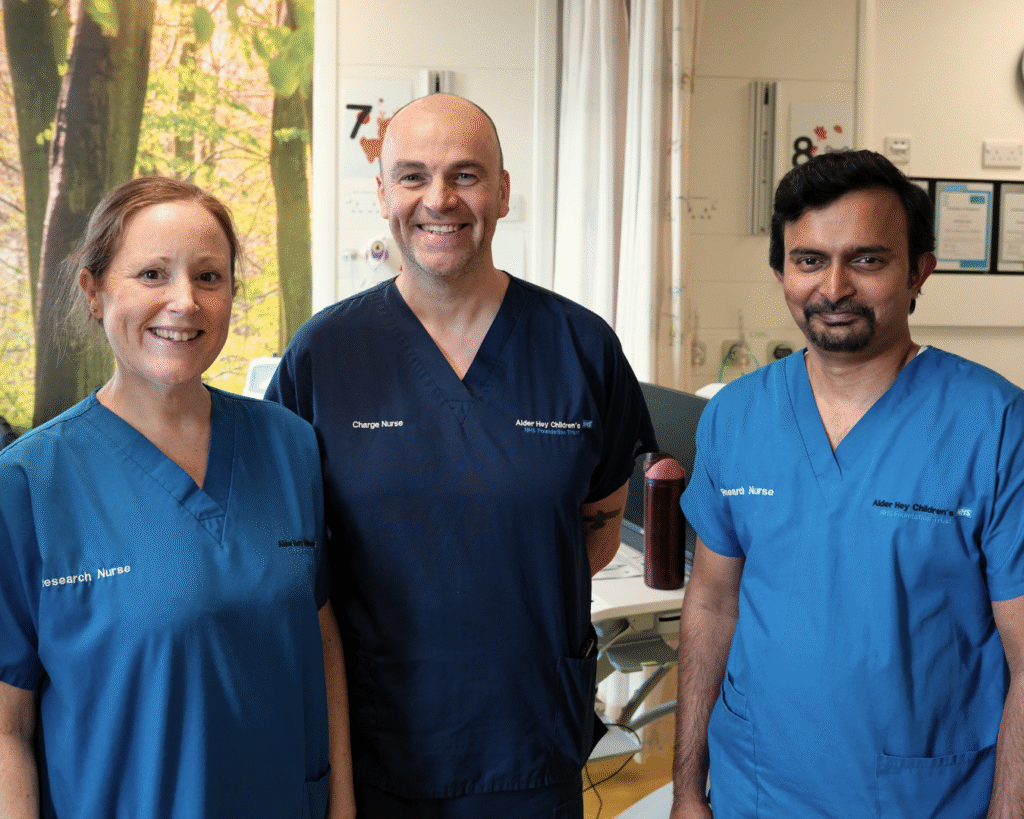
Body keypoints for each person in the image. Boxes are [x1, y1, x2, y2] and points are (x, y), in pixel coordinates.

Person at [266, 93, 656, 818]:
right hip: (375, 745)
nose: (438, 199)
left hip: (531, 740)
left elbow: (600, 525)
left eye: (466, 175)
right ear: (381, 193)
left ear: (503, 192)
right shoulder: (325, 353)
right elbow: (293, 554)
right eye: (411, 176)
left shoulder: (581, 347)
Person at [669, 150, 1024, 818]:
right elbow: (713, 604)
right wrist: (689, 790)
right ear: (781, 271)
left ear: (920, 271)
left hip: (926, 797)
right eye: (808, 260)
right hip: (756, 791)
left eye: (867, 259)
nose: (833, 287)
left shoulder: (995, 425)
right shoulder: (736, 417)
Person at [0, 177, 355, 819]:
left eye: (209, 277)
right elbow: (6, 729)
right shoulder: (28, 484)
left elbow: (320, 636)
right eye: (153, 274)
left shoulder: (290, 447)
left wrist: (343, 807)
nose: (184, 302)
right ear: (94, 292)